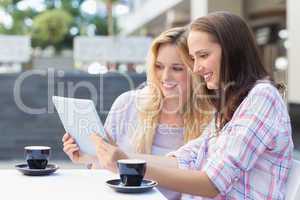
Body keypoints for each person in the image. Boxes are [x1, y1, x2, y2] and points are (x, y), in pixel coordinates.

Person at [89, 12, 294, 199]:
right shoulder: (230, 107)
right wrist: (117, 159)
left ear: (232, 50)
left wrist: (129, 167)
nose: (196, 68)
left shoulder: (262, 97)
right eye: (194, 58)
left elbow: (212, 183)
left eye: (203, 55)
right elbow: (185, 160)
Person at [62, 27, 212, 200]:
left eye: (177, 68)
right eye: (159, 66)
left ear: (196, 70)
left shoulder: (211, 119)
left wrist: (121, 159)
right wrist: (87, 158)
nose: (165, 76)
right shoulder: (127, 104)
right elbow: (104, 170)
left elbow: (205, 183)